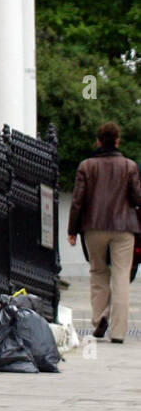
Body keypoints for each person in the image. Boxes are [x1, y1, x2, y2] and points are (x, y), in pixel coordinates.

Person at [68, 121, 141, 343]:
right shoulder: (129, 166)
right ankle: (118, 333)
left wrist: (72, 229)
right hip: (124, 228)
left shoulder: (86, 166)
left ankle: (100, 317)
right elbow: (137, 198)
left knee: (98, 272)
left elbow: (77, 201)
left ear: (98, 141)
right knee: (121, 275)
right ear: (118, 140)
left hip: (94, 226)